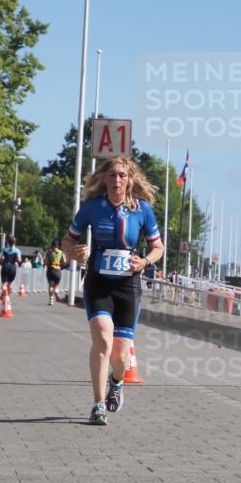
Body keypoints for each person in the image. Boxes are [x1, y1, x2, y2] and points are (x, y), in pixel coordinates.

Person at [62, 156, 163, 426]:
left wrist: (145, 261)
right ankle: (97, 405)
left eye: (122, 175)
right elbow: (67, 241)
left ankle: (116, 382)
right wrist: (74, 252)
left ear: (129, 179)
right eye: (112, 175)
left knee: (120, 355)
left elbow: (158, 247)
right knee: (103, 341)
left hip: (128, 286)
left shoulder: (142, 210)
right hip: (99, 283)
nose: (117, 180)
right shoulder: (92, 208)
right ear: (104, 178)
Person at [45, 240, 65, 305]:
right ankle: (56, 291)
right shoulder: (61, 252)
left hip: (50, 270)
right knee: (56, 285)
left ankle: (51, 300)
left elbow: (46, 262)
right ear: (58, 246)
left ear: (52, 245)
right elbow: (64, 261)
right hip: (58, 270)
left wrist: (48, 264)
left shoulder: (49, 252)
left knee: (50, 286)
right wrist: (60, 265)